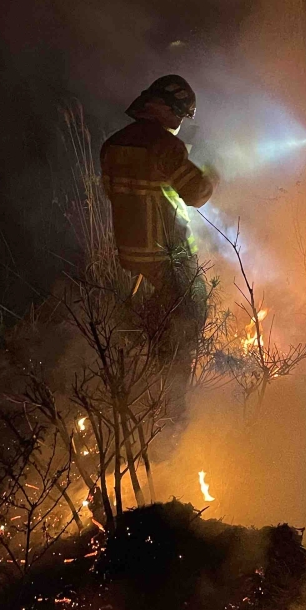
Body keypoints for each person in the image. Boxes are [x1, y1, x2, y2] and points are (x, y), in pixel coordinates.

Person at [100, 74, 216, 415]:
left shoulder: (113, 145)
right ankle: (172, 405)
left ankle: (134, 394)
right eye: (181, 114)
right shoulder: (165, 146)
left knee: (143, 327)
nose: (181, 123)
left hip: (130, 255)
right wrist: (211, 177)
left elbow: (111, 193)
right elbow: (195, 193)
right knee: (187, 319)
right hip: (169, 256)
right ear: (169, 109)